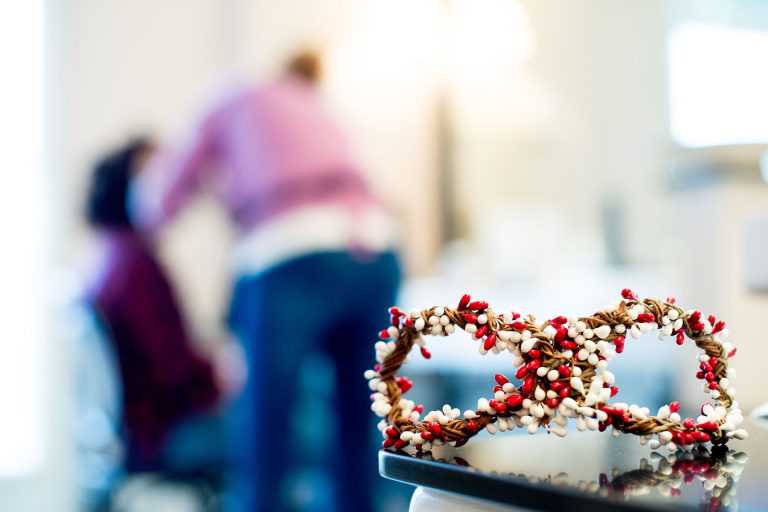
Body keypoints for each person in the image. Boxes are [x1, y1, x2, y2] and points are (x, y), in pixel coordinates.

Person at [131, 50, 401, 511]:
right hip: (377, 250)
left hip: (290, 255)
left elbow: (156, 203)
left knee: (266, 430)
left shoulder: (229, 94)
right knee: (359, 430)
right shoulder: (317, 104)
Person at [83, 139, 228, 473]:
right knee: (298, 426)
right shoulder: (134, 266)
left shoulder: (106, 254)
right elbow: (172, 371)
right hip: (164, 432)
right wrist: (220, 379)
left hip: (132, 432)